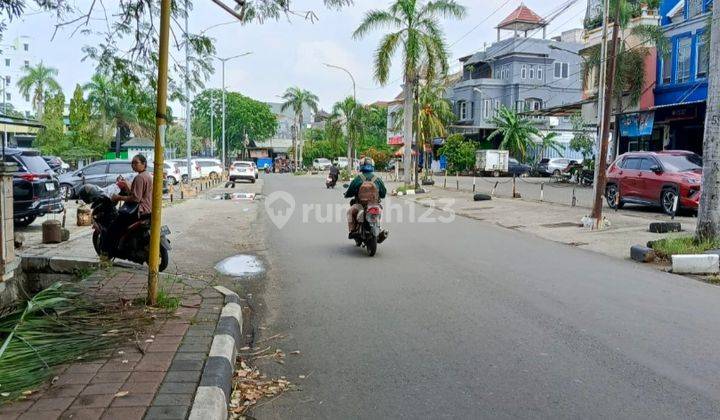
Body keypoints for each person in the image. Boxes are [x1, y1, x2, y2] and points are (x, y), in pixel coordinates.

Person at [105, 154, 153, 252]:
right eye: (132, 163)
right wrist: (126, 184)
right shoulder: (147, 175)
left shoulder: (139, 178)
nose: (133, 165)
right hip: (148, 209)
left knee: (114, 227)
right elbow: (136, 193)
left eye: (136, 163)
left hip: (140, 210)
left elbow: (136, 198)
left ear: (144, 164)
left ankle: (107, 252)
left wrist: (119, 197)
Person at [344, 157, 387, 240]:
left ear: (361, 166)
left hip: (360, 206)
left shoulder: (358, 179)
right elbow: (383, 194)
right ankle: (379, 229)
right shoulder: (377, 179)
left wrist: (346, 194)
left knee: (350, 212)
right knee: (379, 213)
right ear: (372, 166)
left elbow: (350, 192)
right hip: (374, 205)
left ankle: (353, 230)